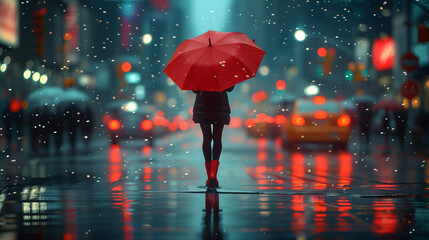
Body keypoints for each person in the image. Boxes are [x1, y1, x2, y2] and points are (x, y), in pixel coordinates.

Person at [193, 85, 234, 188]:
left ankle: (209, 176)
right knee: (217, 138)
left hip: (203, 106)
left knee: (206, 138)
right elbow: (230, 88)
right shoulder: (223, 69)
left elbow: (195, 90)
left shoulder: (199, 70)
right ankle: (213, 175)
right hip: (219, 106)